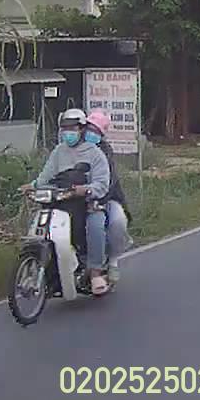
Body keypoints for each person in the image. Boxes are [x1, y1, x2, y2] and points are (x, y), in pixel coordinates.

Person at [25, 109, 112, 294]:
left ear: (82, 129)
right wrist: (32, 186)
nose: (68, 133)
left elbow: (102, 184)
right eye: (65, 129)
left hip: (87, 203)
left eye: (72, 128)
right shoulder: (59, 151)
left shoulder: (95, 154)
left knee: (95, 226)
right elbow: (46, 176)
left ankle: (95, 272)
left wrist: (86, 189)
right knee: (41, 225)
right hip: (61, 202)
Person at [83, 110, 131, 283]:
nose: (91, 133)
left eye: (96, 131)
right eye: (89, 129)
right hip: (74, 198)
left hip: (106, 198)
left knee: (117, 222)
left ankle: (112, 262)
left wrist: (98, 200)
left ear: (101, 135)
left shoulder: (105, 151)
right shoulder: (72, 149)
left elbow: (109, 182)